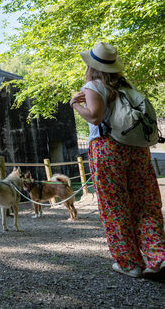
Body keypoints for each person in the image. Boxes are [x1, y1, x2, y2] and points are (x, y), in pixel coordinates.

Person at [70, 41, 165, 279]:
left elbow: (94, 117)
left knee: (115, 206)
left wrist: (75, 104)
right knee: (146, 204)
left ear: (92, 66)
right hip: (136, 149)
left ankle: (129, 263)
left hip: (107, 149)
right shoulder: (128, 88)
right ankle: (159, 257)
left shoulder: (93, 86)